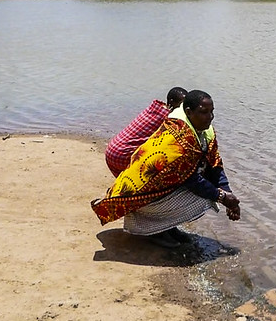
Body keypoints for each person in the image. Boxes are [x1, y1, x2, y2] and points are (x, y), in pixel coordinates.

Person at [91, 89, 241, 248]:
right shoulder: (177, 137)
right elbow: (192, 180)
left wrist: (228, 193)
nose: (210, 117)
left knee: (208, 185)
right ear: (189, 112)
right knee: (205, 197)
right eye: (204, 112)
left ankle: (168, 227)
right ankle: (155, 230)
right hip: (140, 195)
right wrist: (222, 197)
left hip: (160, 188)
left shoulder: (205, 131)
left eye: (212, 112)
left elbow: (215, 164)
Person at [105, 87, 187, 177]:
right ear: (171, 101)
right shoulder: (168, 119)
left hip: (112, 150)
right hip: (123, 155)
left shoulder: (155, 109)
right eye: (181, 105)